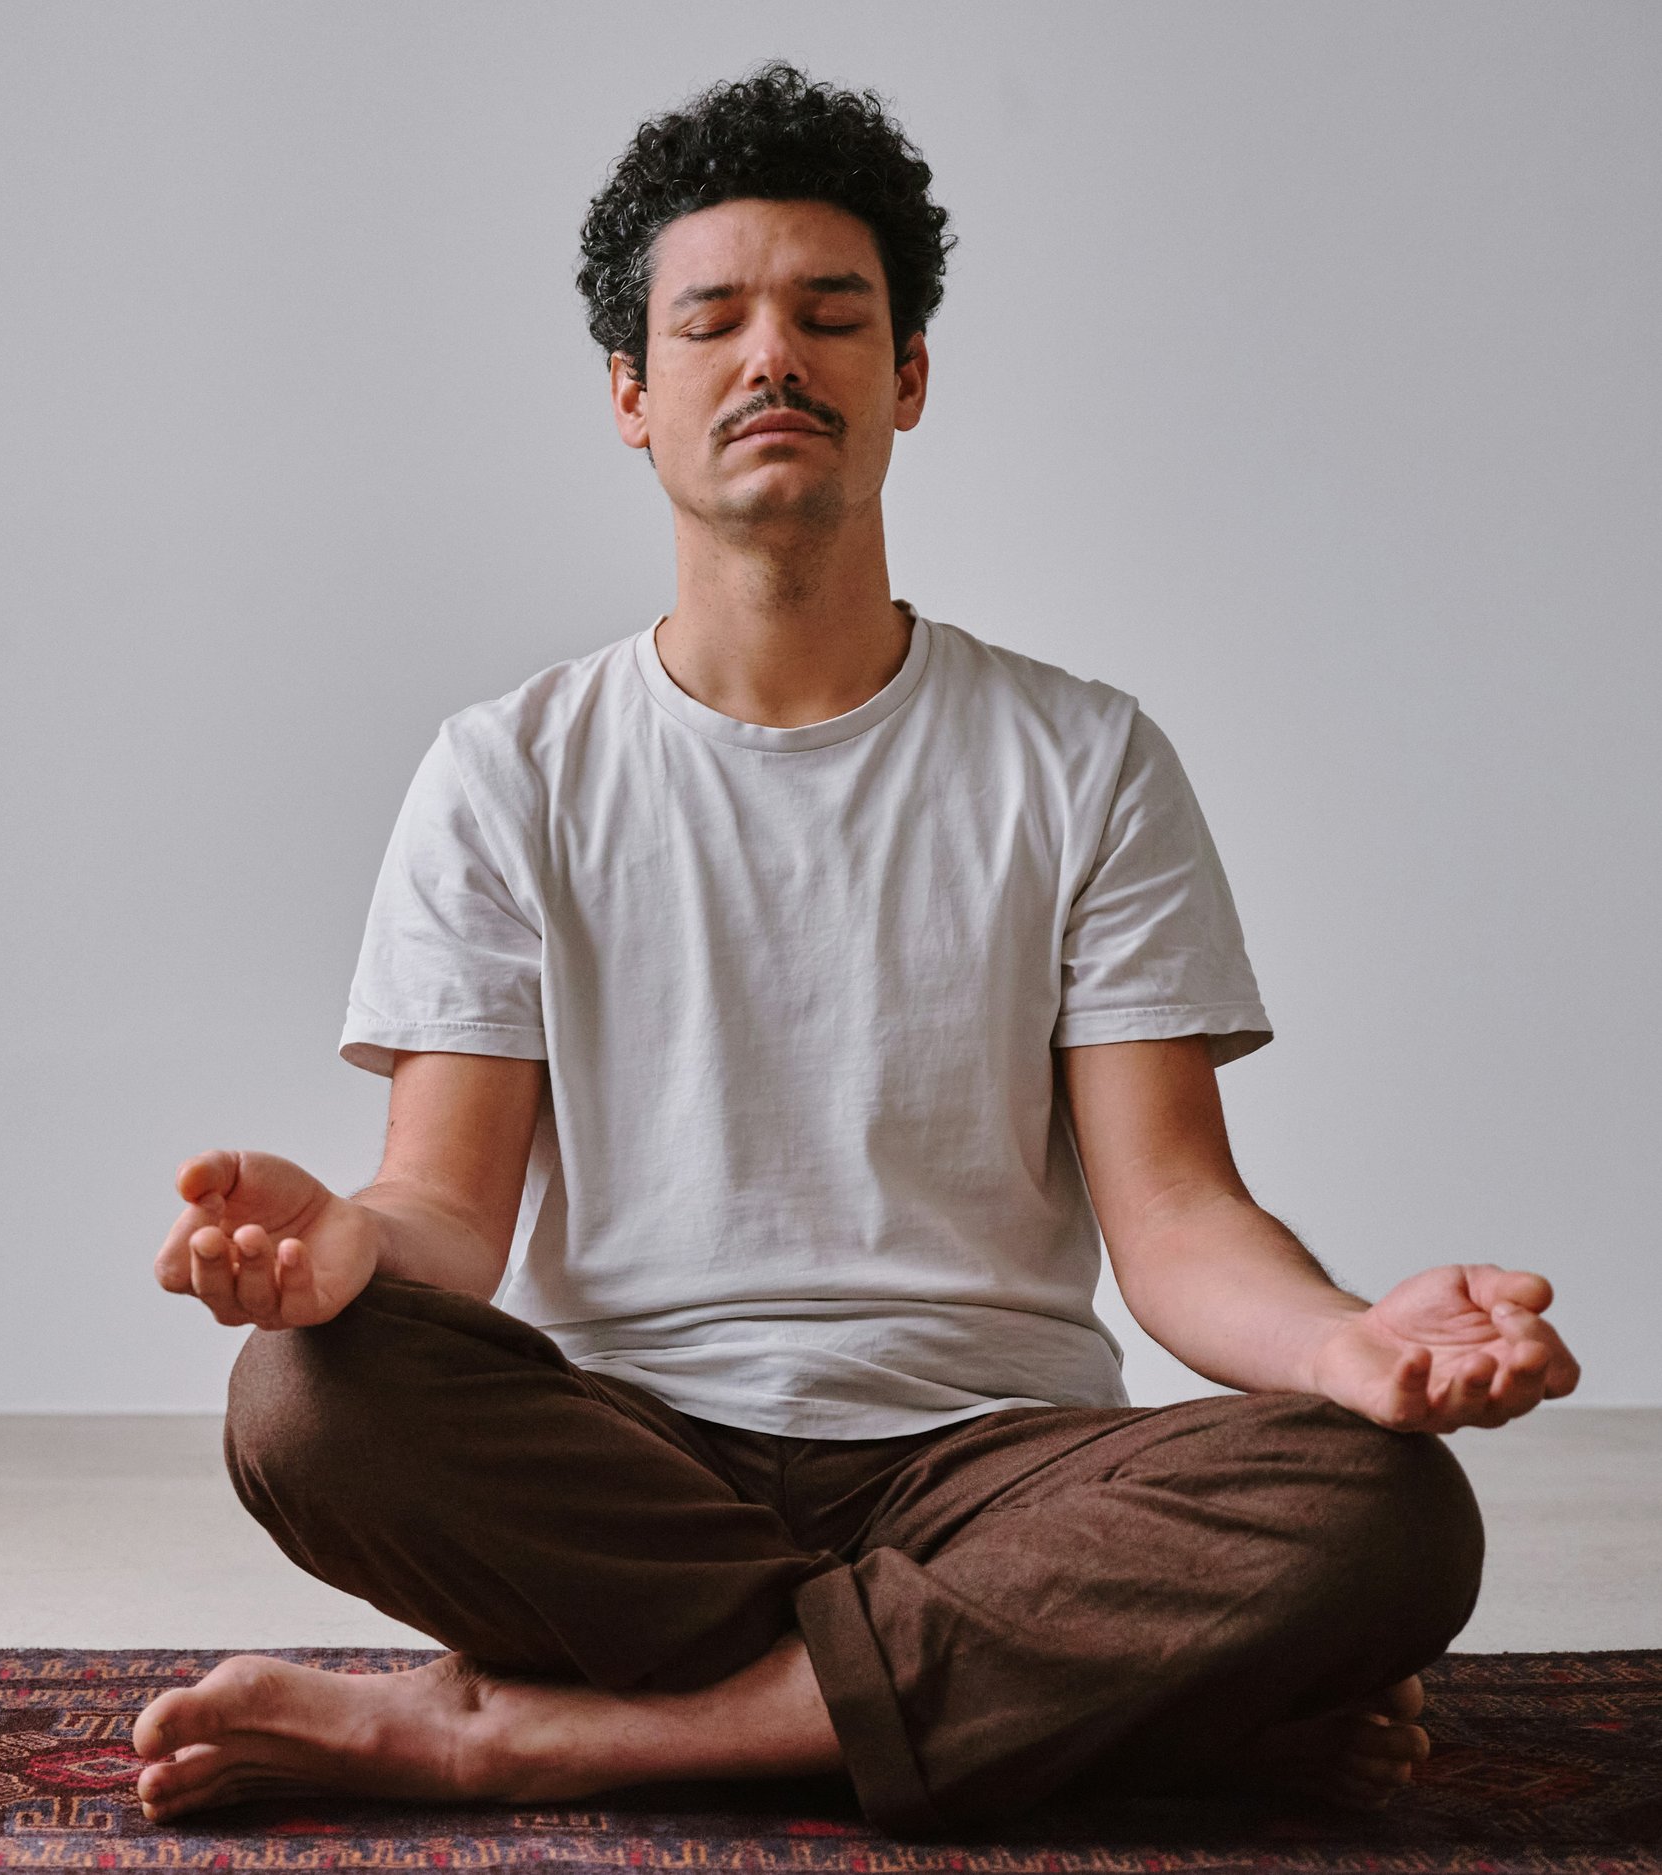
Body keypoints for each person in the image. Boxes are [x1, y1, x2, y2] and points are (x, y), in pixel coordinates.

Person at [131, 64, 1580, 1839]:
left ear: (904, 379)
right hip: (639, 1458)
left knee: (1389, 1510)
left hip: (1002, 1469)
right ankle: (1096, 1706)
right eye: (713, 322)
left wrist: (1355, 1349)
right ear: (630, 394)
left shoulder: (1084, 758)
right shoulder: (505, 772)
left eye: (832, 317)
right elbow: (448, 1221)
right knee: (304, 1401)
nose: (772, 360)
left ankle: (531, 1737)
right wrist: (345, 1246)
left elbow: (1181, 1223)